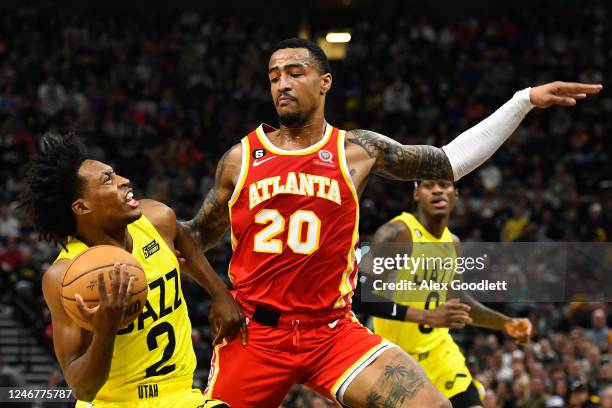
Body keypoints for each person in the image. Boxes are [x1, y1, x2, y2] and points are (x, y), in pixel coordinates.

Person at [183, 37, 600, 407]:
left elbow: (449, 162)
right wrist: (216, 292)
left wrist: (523, 100)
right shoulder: (240, 158)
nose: (282, 84)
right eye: (274, 77)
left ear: (324, 82)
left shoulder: (357, 150)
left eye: (295, 73)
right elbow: (196, 236)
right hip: (257, 335)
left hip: (331, 331)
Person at [20, 133, 244, 407]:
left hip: (179, 396)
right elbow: (82, 388)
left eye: (114, 174)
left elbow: (187, 246)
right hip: (113, 403)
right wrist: (105, 329)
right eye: (108, 180)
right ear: (82, 206)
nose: (123, 181)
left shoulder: (157, 219)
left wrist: (219, 293)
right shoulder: (64, 277)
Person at [354, 180, 532, 408]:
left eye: (444, 185)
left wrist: (505, 323)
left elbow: (454, 299)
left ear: (455, 193)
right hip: (396, 359)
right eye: (429, 185)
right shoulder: (397, 233)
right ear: (416, 193)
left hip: (440, 355)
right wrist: (426, 316)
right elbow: (358, 295)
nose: (438, 190)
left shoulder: (452, 243)